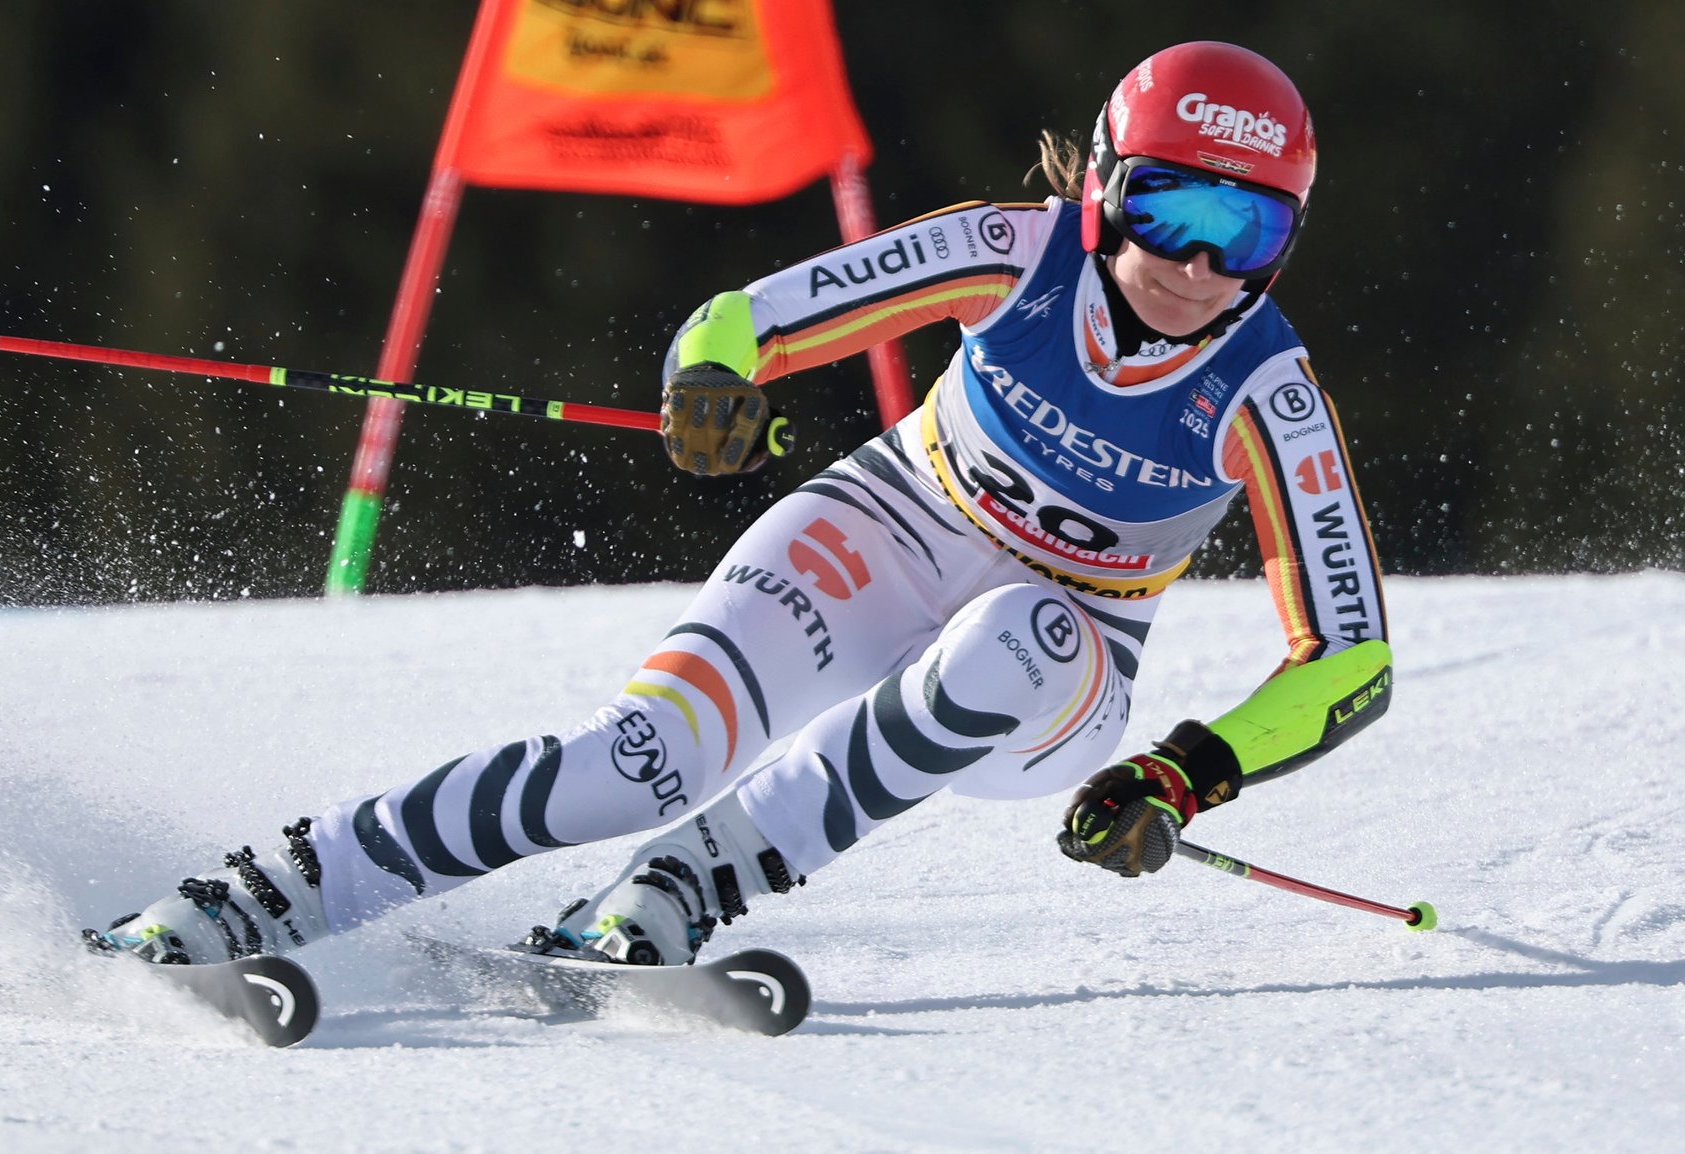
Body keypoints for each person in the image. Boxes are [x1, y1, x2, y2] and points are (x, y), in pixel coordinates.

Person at [89, 41, 1392, 969]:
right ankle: (276, 886)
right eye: (1167, 207)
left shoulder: (1266, 393)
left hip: (1066, 668)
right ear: (1107, 182)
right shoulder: (1015, 251)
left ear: (1291, 239)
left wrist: (1179, 771)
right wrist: (709, 379)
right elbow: (742, 321)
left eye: (1247, 232)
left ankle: (696, 877)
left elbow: (1352, 658)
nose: (1195, 265)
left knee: (1018, 633)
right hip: (887, 528)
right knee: (634, 762)